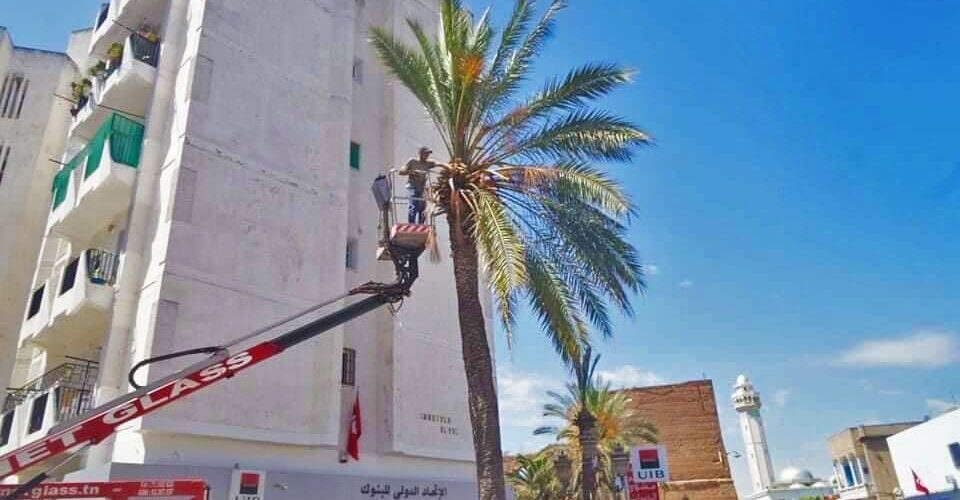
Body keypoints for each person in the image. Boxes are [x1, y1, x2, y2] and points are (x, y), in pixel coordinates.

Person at [398, 147, 439, 223]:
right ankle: (411, 224)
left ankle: (421, 224)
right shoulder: (412, 161)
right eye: (425, 154)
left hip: (421, 188)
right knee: (413, 204)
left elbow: (438, 164)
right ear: (420, 154)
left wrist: (448, 167)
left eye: (428, 154)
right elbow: (401, 171)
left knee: (422, 207)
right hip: (412, 186)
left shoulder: (427, 163)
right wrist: (411, 172)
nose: (427, 156)